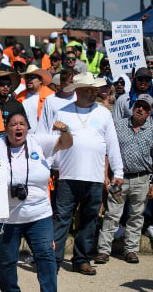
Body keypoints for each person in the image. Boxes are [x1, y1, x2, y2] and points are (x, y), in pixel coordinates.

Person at [0, 112, 72, 292]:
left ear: (27, 128)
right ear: (6, 129)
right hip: (5, 218)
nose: (18, 127)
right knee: (7, 262)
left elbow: (66, 143)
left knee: (46, 256)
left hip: (39, 215)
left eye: (22, 124)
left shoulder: (38, 142)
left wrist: (65, 130)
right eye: (13, 124)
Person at [52, 72, 124, 275]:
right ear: (77, 91)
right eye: (88, 90)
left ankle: (81, 259)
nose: (93, 93)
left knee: (89, 219)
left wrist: (118, 171)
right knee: (62, 219)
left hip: (94, 177)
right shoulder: (63, 111)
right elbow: (52, 143)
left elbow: (112, 144)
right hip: (68, 176)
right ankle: (54, 260)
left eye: (95, 89)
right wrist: (49, 168)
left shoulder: (103, 113)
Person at [95, 94, 153, 265]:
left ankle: (131, 250)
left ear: (150, 113)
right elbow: (107, 152)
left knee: (136, 216)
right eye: (138, 105)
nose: (140, 109)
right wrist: (105, 175)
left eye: (145, 107)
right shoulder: (118, 125)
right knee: (112, 214)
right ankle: (103, 250)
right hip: (119, 179)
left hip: (142, 179)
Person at [0, 71, 26, 137]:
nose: (6, 87)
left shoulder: (17, 105)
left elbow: (24, 127)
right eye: (2, 84)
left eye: (8, 85)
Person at [16, 65, 54, 133]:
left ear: (41, 80)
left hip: (44, 137)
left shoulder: (51, 96)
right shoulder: (20, 96)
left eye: (32, 77)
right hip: (24, 138)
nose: (29, 80)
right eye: (27, 77)